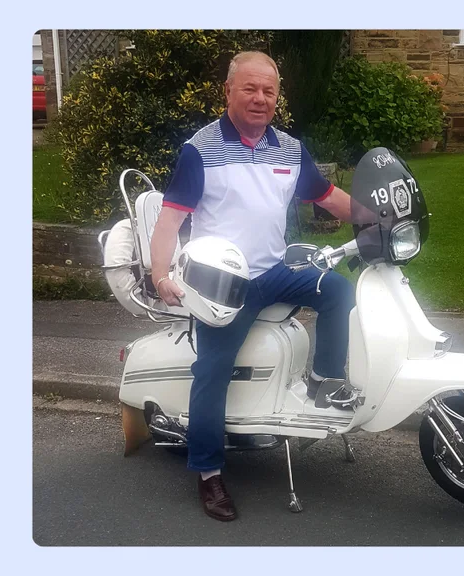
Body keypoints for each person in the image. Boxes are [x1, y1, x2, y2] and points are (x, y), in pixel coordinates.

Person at [148, 51, 356, 522]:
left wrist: (373, 219)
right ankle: (207, 472)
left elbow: (326, 196)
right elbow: (170, 221)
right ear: (228, 91)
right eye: (250, 89)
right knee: (213, 371)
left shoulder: (288, 148)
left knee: (339, 292)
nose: (260, 99)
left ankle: (324, 382)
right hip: (225, 283)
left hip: (275, 269)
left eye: (269, 91)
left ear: (277, 97)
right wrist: (161, 274)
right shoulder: (199, 150)